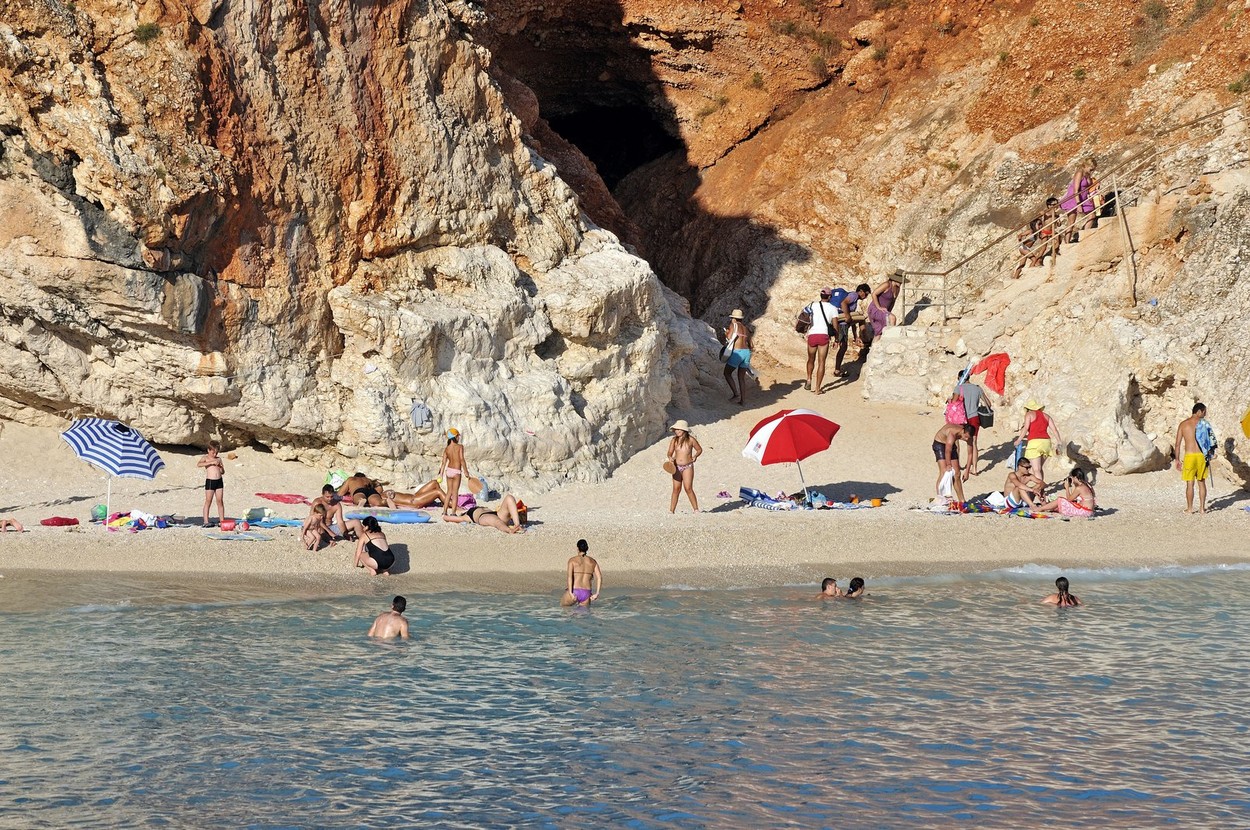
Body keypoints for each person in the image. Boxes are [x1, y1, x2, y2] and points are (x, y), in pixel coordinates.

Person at [1174, 402, 1211, 515]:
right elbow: (1209, 442)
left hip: (1189, 456)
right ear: (1199, 411)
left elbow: (1177, 444)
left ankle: (1189, 509)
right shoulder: (1204, 424)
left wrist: (1177, 459)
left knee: (1190, 483)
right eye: (1204, 411)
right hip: (1201, 456)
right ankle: (1202, 509)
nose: (1205, 414)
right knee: (1201, 482)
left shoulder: (1183, 424)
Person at [1014, 400, 1062, 484]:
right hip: (1046, 442)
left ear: (1029, 409)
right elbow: (1054, 429)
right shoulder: (1046, 416)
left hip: (1034, 442)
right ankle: (1041, 486)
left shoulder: (1029, 414)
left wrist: (1019, 440)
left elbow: (1025, 428)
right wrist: (1059, 442)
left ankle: (1039, 489)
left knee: (1036, 469)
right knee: (1039, 469)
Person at [955, 372, 991, 479]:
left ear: (960, 378)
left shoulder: (958, 388)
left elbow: (954, 402)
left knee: (956, 440)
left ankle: (957, 464)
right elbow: (988, 403)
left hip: (962, 416)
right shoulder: (977, 388)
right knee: (974, 442)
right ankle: (974, 468)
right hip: (975, 417)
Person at [804, 288, 840, 393]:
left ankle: (809, 379)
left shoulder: (812, 305)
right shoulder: (833, 308)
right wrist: (836, 339)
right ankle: (817, 389)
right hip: (823, 335)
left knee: (811, 359)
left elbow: (805, 316)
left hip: (812, 334)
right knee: (821, 362)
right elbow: (835, 325)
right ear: (829, 297)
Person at [833, 283, 872, 377]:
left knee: (861, 318)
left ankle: (863, 338)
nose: (865, 296)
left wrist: (855, 335)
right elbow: (843, 303)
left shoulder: (854, 299)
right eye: (865, 294)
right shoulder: (854, 295)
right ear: (861, 291)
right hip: (842, 324)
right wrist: (847, 315)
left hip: (845, 324)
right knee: (843, 347)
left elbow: (852, 321)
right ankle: (837, 370)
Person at [667, 420, 703, 513]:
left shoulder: (691, 439)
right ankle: (671, 511)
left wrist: (695, 456)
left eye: (679, 429)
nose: (677, 431)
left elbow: (699, 449)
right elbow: (669, 452)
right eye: (676, 429)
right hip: (676, 467)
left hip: (688, 466)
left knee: (688, 488)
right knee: (676, 489)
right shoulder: (674, 440)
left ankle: (696, 509)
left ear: (684, 430)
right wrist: (670, 457)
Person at [442, 493, 524, 534]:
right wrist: (445, 516)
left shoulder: (467, 514)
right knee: (497, 522)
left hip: (496, 514)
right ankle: (509, 530)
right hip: (483, 517)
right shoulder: (466, 517)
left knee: (509, 497)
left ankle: (517, 525)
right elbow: (449, 518)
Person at [933, 422, 972, 504]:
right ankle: (940, 499)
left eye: (968, 438)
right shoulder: (952, 433)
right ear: (963, 432)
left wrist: (967, 471)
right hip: (940, 444)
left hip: (951, 445)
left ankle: (962, 500)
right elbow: (947, 451)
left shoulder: (969, 435)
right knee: (944, 471)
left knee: (957, 473)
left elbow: (970, 454)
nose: (967, 439)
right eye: (965, 437)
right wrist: (948, 464)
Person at [1060, 158, 1097, 242]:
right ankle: (1066, 243)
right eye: (1091, 169)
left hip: (1083, 198)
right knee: (1071, 222)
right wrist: (1078, 204)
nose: (1092, 171)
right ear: (1086, 166)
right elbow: (1075, 190)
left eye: (1093, 169)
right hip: (1075, 199)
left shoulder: (1088, 174)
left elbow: (1088, 187)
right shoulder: (1079, 173)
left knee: (1092, 215)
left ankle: (1085, 236)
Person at [723, 309, 753, 405]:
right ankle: (743, 401)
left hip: (738, 352)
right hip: (747, 353)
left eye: (732, 318)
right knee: (741, 377)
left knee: (727, 373)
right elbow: (751, 344)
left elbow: (729, 337)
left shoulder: (733, 325)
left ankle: (736, 394)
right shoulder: (746, 329)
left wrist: (726, 333)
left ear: (734, 319)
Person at [865, 270, 902, 344]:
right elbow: (874, 294)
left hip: (883, 311)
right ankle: (891, 342)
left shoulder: (897, 289)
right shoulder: (887, 284)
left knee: (878, 334)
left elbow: (892, 302)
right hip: (875, 309)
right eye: (900, 281)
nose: (901, 283)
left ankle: (872, 353)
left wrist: (889, 312)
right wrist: (878, 307)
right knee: (892, 318)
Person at [562, 539, 602, 606]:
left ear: (577, 548)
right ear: (587, 548)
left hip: (574, 590)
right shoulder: (593, 561)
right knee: (583, 615)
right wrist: (597, 593)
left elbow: (569, 577)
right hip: (586, 593)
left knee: (564, 609)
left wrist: (570, 593)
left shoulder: (572, 561)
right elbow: (599, 577)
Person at [439, 429, 469, 516]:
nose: (458, 438)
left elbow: (443, 462)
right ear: (455, 437)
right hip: (456, 471)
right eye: (458, 436)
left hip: (448, 471)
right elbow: (462, 460)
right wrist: (466, 471)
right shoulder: (460, 447)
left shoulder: (447, 448)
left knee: (449, 492)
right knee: (455, 493)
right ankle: (453, 513)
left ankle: (444, 511)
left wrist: (441, 474)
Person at [198, 441, 225, 528]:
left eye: (216, 452)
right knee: (208, 501)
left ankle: (222, 520)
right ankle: (206, 521)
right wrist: (211, 462)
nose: (215, 454)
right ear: (208, 450)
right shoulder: (205, 458)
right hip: (210, 481)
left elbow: (223, 471)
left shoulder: (219, 459)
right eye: (213, 452)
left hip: (219, 481)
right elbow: (199, 464)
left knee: (220, 500)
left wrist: (220, 467)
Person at [1038, 197, 1063, 264]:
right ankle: (1038, 261)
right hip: (1045, 231)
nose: (1056, 206)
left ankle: (1054, 253)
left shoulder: (1056, 214)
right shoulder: (1046, 212)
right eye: (1054, 204)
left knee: (1058, 239)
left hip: (1052, 231)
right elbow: (1040, 214)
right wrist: (1041, 214)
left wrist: (1059, 222)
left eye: (1056, 204)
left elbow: (1058, 225)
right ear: (1049, 206)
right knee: (1043, 248)